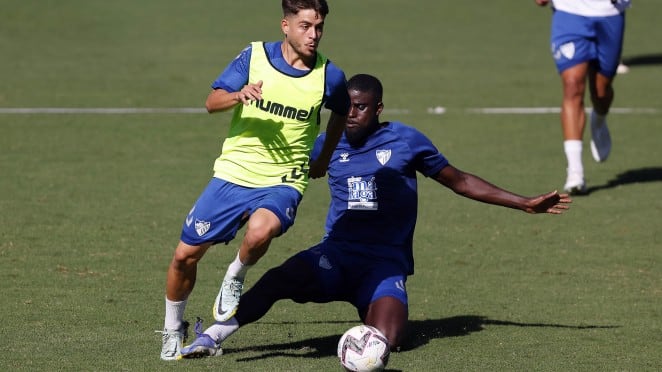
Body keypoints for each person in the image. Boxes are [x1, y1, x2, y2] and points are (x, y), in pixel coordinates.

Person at [177, 73, 572, 358]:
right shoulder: (327, 145)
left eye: (361, 108)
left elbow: (460, 180)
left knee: (392, 340)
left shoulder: (406, 141)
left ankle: (370, 318)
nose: (351, 115)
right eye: (346, 107)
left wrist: (522, 202)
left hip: (384, 265)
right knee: (278, 279)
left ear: (378, 108)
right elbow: (279, 176)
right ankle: (213, 334)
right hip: (338, 254)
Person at [159, 0, 350, 361]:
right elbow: (211, 102)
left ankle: (236, 274)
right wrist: (238, 94)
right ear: (285, 25)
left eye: (319, 27)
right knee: (185, 256)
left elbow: (341, 112)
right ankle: (172, 328)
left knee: (261, 231)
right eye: (306, 26)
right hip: (234, 173)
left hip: (284, 177)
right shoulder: (254, 57)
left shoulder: (330, 76)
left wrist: (323, 158)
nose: (314, 35)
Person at [534, 0, 631, 194]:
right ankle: (575, 171)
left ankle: (599, 119)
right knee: (572, 86)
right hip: (569, 13)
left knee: (601, 91)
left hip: (609, 12)